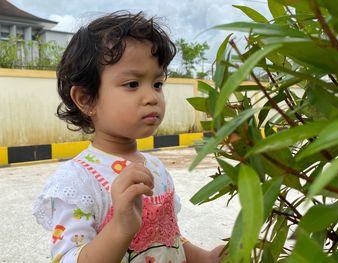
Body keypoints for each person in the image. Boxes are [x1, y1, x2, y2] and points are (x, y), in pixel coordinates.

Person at [33, 11, 225, 263]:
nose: (151, 97)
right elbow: (68, 258)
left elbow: (168, 239)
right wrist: (120, 228)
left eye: (157, 84)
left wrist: (207, 258)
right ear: (86, 99)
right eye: (133, 84)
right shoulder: (76, 182)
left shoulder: (156, 168)